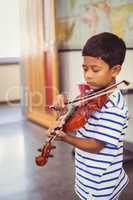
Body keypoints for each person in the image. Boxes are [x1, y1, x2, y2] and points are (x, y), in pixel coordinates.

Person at [48, 32, 129, 200]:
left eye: (95, 69)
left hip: (100, 180)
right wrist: (63, 109)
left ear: (115, 70)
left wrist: (65, 139)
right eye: (85, 68)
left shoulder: (114, 107)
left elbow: (96, 145)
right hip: (86, 170)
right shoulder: (92, 93)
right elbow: (74, 121)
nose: (88, 75)